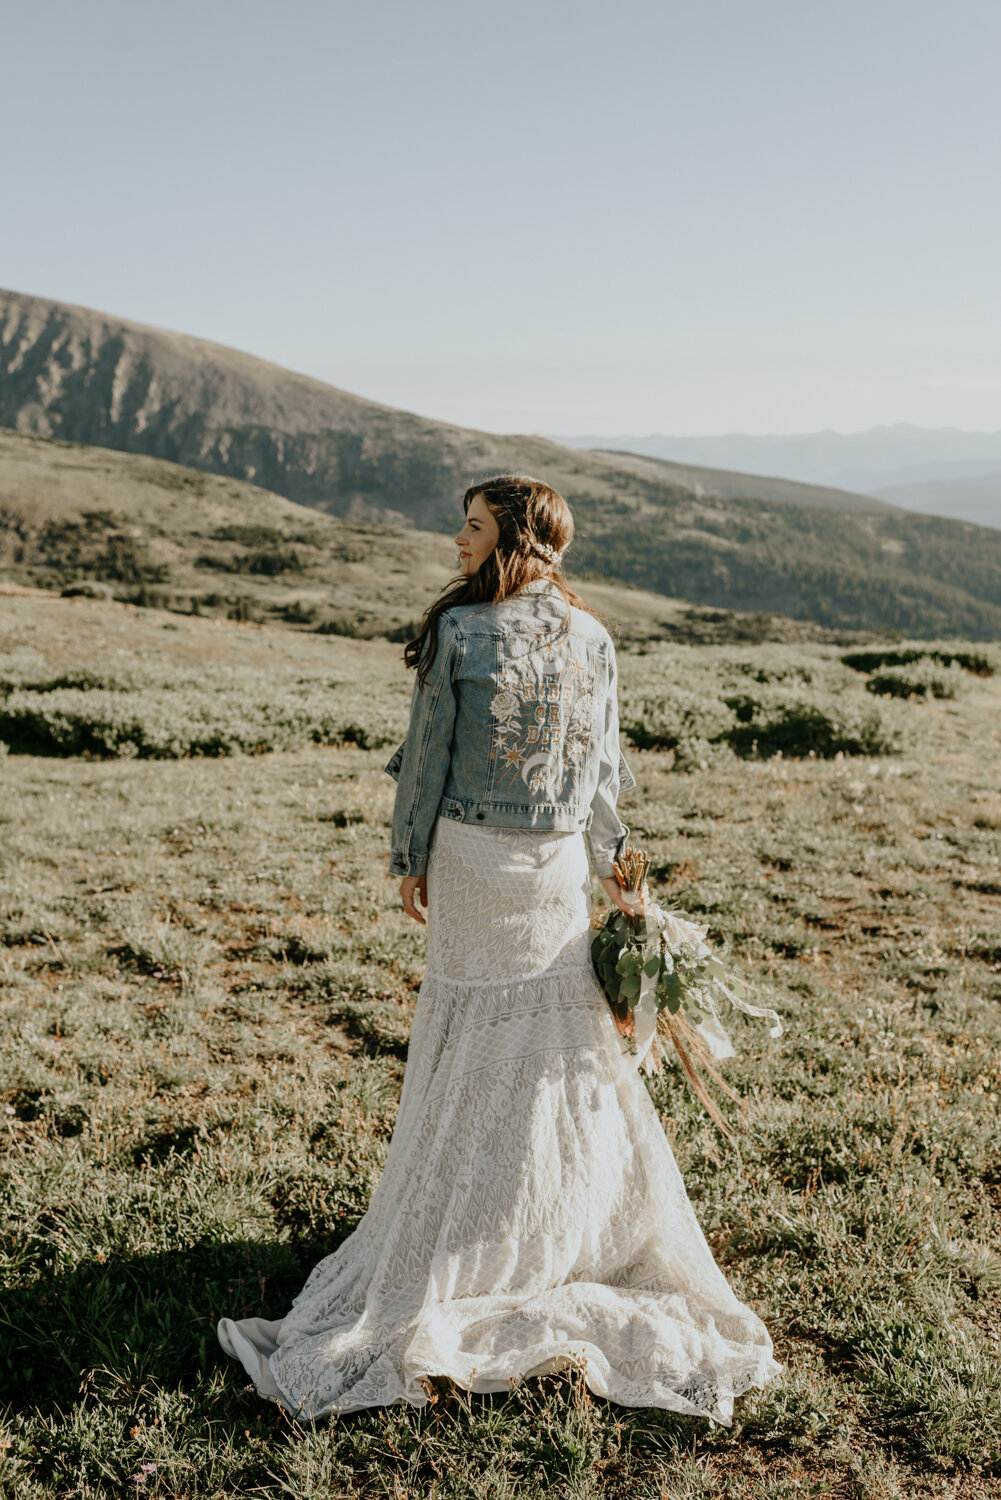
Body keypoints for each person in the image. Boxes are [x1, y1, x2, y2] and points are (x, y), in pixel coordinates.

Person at [217, 474, 781, 1421]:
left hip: (475, 862)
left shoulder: (461, 634)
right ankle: (550, 1224)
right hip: (559, 868)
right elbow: (604, 773)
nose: (457, 542)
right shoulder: (594, 637)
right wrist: (616, 872)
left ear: (512, 537)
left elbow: (428, 756)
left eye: (472, 528)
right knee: (557, 1048)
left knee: (472, 1039)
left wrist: (407, 857)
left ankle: (457, 1234)